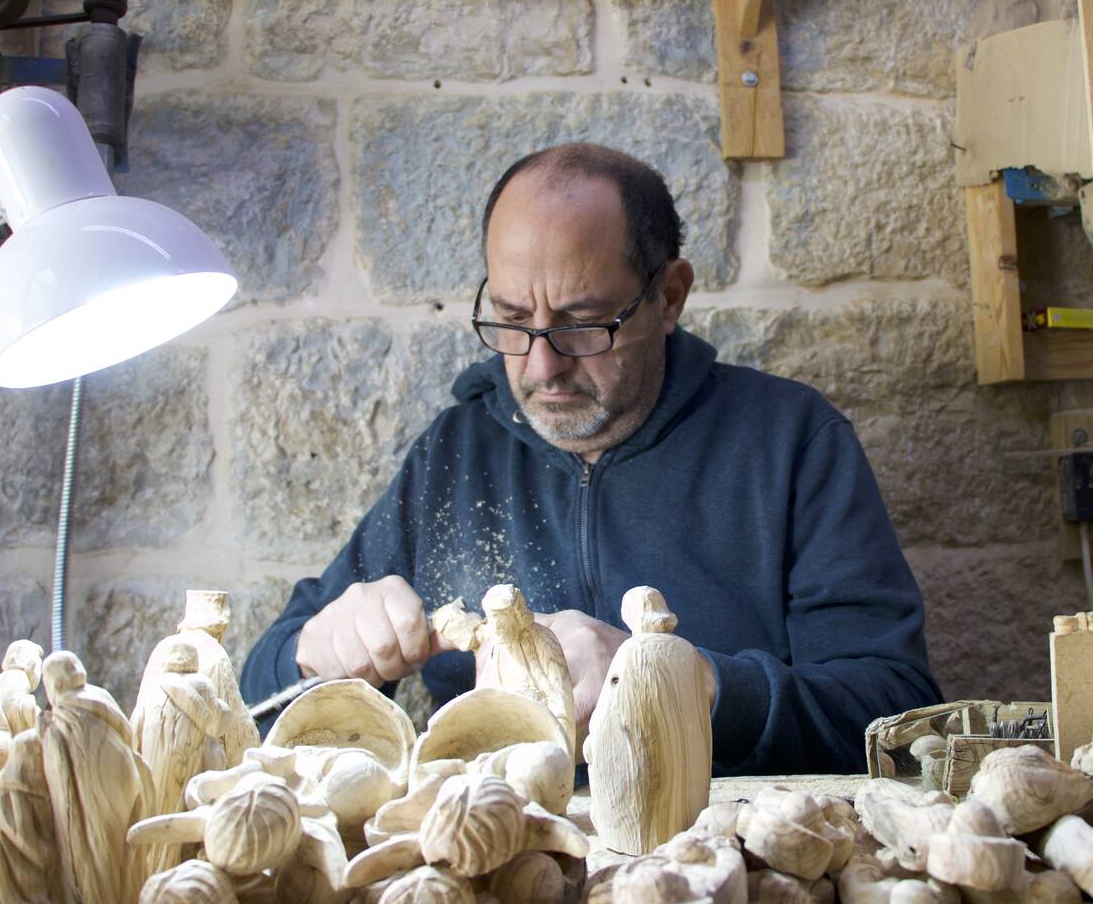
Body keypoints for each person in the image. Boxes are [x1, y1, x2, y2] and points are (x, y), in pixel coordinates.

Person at [240, 143, 940, 774]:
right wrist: (313, 652)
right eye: (513, 320)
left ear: (668, 299)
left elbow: (898, 717)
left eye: (580, 324)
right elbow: (257, 703)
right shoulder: (456, 455)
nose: (542, 367)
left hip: (726, 869)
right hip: (505, 860)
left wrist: (687, 684)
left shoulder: (792, 442)